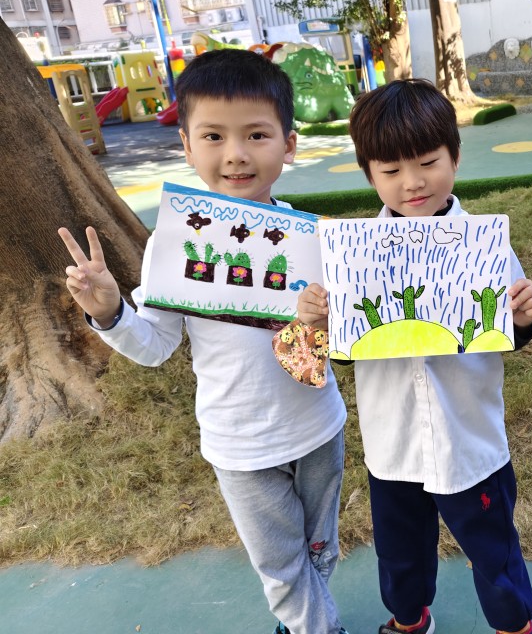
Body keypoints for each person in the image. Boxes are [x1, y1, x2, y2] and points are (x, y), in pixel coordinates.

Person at [58, 49, 349, 634]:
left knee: (320, 549)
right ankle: (315, 626)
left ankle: (304, 615)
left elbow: (340, 338)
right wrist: (110, 311)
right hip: (238, 444)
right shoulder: (173, 247)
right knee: (281, 566)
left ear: (289, 145)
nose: (235, 153)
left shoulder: (311, 239)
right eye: (213, 136)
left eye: (256, 135)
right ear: (187, 147)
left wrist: (328, 321)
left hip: (319, 427)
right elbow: (155, 345)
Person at [287, 79, 532, 634]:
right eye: (391, 170)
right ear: (369, 174)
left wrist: (524, 317)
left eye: (428, 162)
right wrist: (325, 322)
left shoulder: (486, 243)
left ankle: (513, 624)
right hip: (394, 444)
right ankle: (409, 620)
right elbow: (347, 353)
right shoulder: (352, 257)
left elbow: (508, 331)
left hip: (470, 441)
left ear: (455, 155)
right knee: (400, 551)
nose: (413, 182)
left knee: (493, 549)